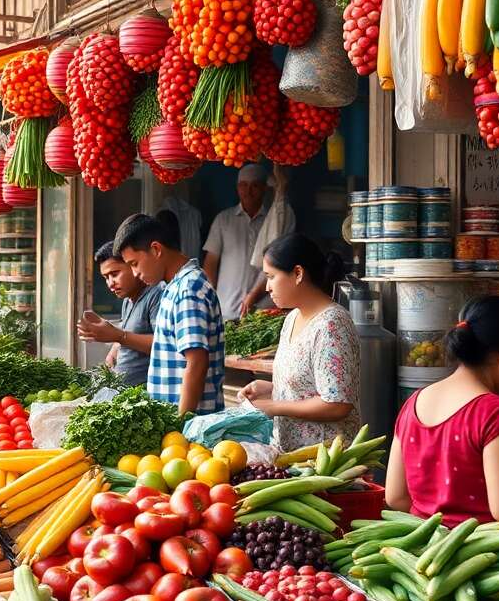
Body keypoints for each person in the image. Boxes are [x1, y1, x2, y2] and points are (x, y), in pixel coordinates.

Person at [385, 296, 499, 530]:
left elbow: (395, 497)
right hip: (490, 560)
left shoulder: (413, 403)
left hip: (426, 554)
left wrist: (438, 529)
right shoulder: (495, 413)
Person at [240, 234, 360, 450]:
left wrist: (274, 406)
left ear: (297, 273)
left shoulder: (332, 325)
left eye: (271, 276)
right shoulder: (292, 318)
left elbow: (337, 403)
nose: (267, 287)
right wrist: (268, 389)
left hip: (325, 462)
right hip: (290, 457)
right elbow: (307, 388)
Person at [114, 214, 225, 414]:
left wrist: (181, 423)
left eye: (134, 263)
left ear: (156, 249)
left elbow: (197, 362)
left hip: (190, 427)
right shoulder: (173, 287)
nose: (135, 273)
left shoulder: (188, 289)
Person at [203, 164, 295, 319]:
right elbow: (210, 262)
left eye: (255, 186)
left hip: (263, 311)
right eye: (243, 185)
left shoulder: (274, 221)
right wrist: (210, 298)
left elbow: (278, 264)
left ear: (264, 188)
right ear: (237, 187)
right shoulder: (224, 220)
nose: (248, 191)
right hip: (226, 309)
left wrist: (253, 296)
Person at [78, 242, 162, 387]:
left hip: (143, 396)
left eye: (115, 274)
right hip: (121, 391)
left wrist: (117, 335)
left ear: (133, 265)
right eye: (106, 277)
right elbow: (128, 334)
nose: (110, 283)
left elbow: (163, 344)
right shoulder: (127, 301)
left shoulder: (156, 294)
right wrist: (114, 350)